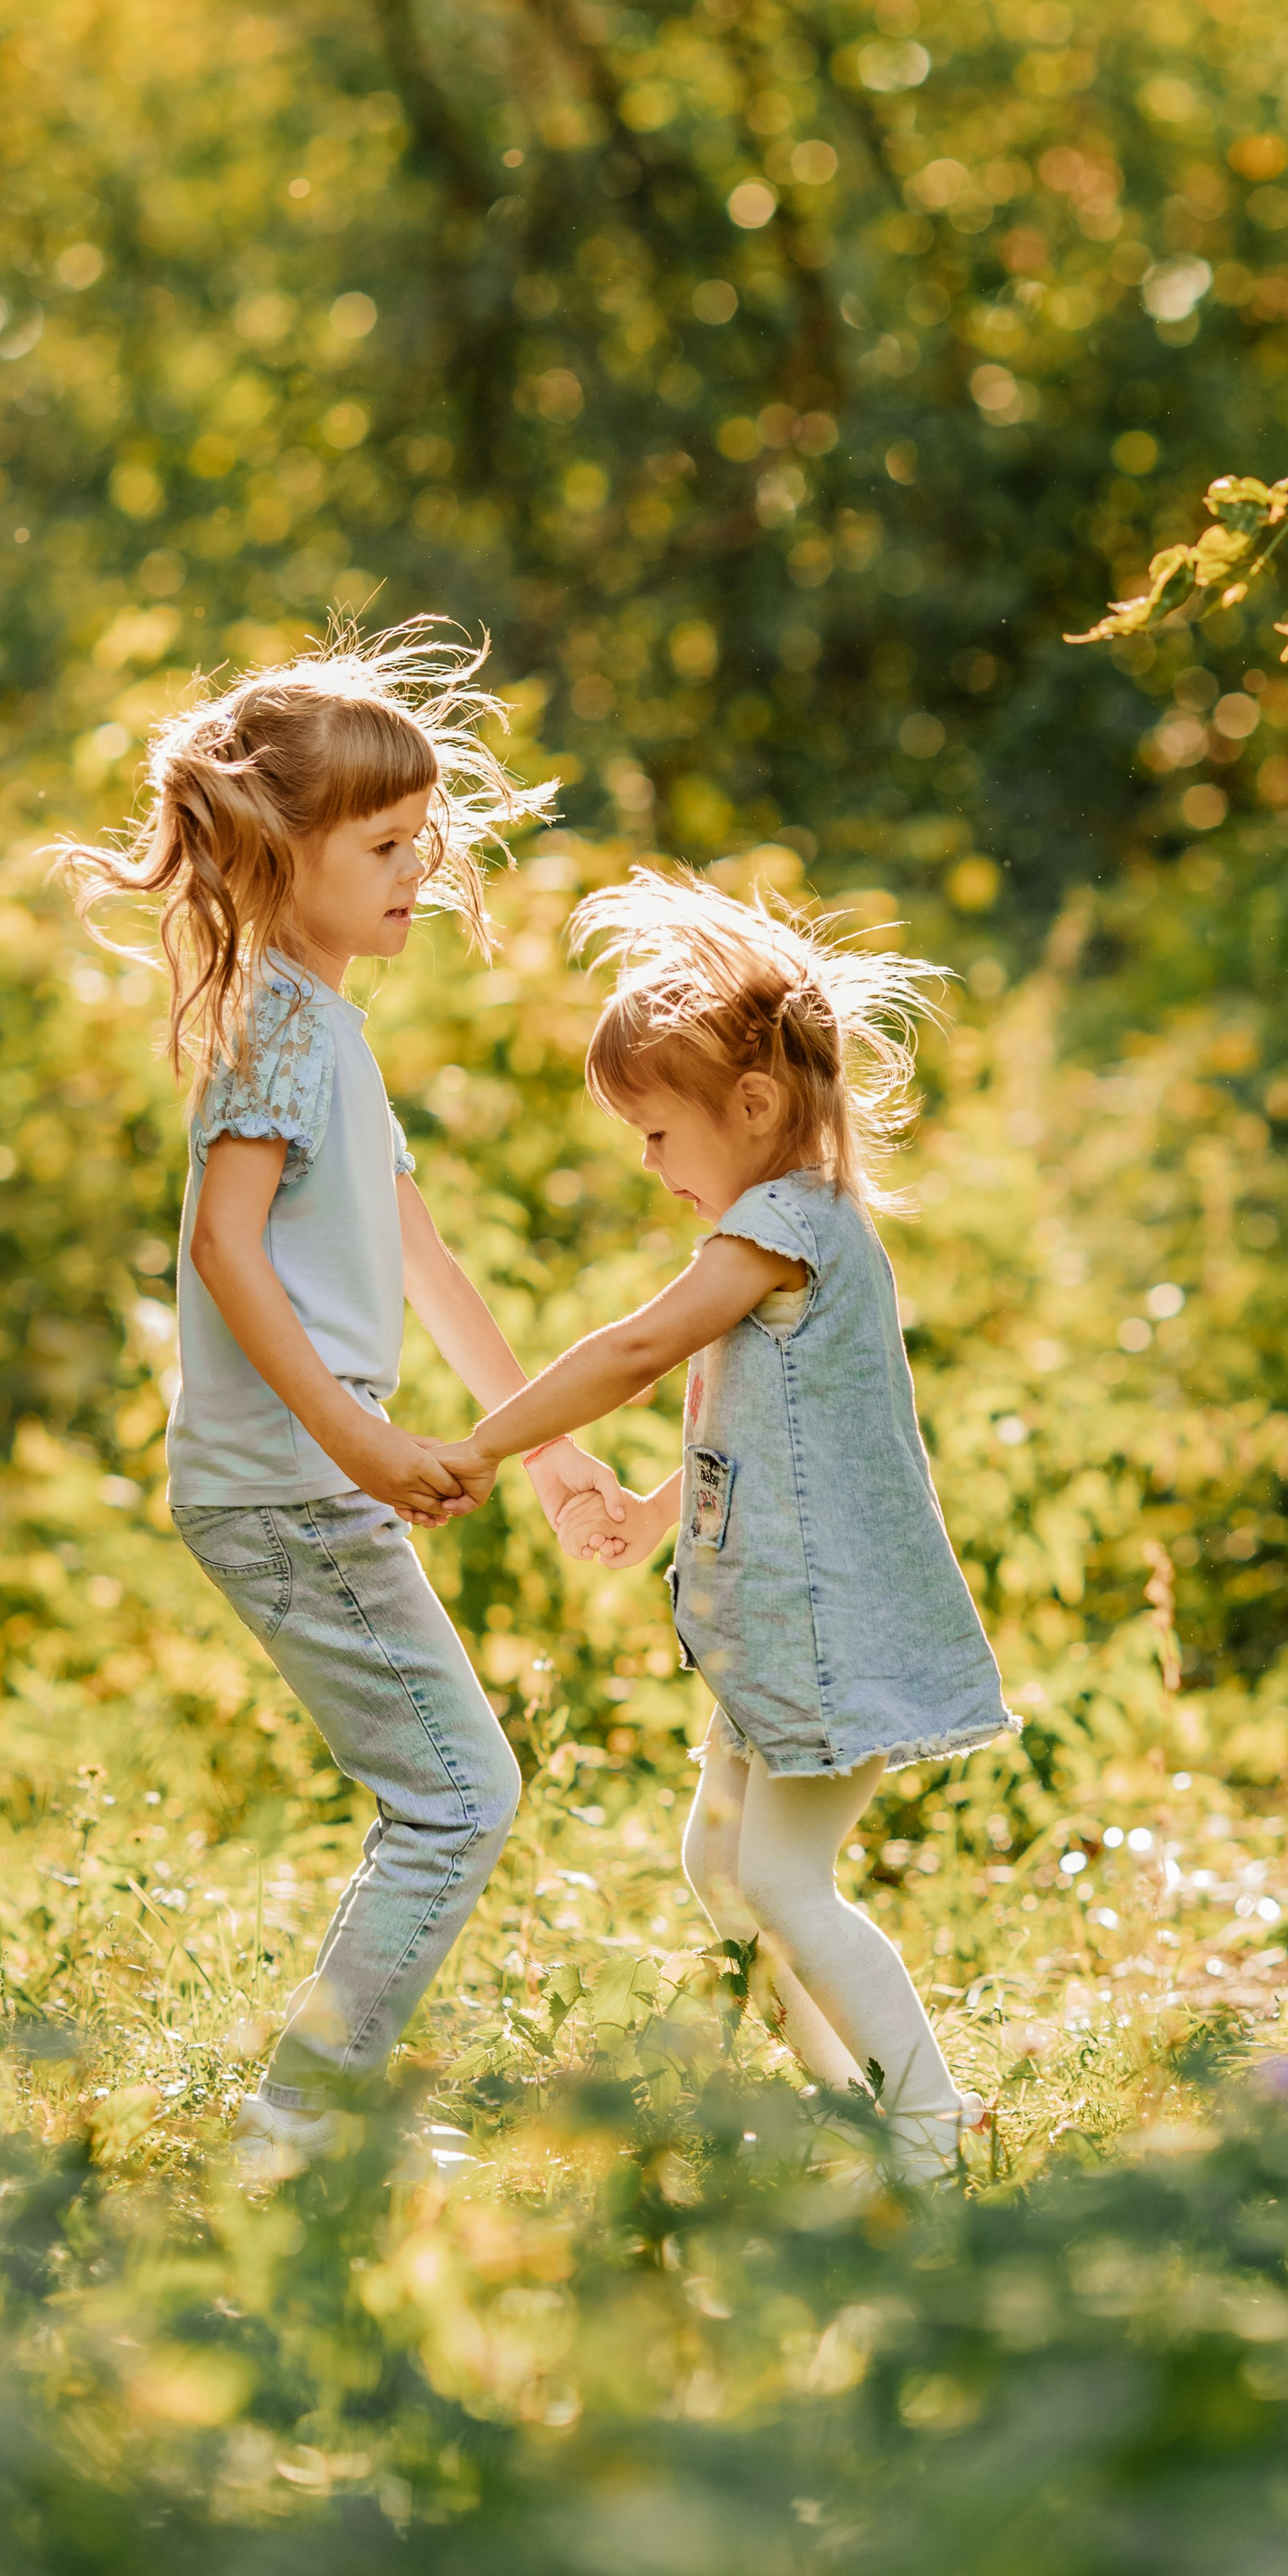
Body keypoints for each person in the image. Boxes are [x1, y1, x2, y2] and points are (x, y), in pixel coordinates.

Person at [60, 620, 625, 2169]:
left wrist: (554, 1452)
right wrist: (361, 1439)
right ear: (277, 851)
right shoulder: (274, 1026)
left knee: (453, 1793)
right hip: (285, 1484)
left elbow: (423, 1257)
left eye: (421, 839)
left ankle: (316, 2117)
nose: (417, 871)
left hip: (304, 1480)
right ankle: (299, 2129)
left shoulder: (328, 1026)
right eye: (382, 844)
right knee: (458, 1799)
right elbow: (221, 1246)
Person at [436, 870, 1014, 2180]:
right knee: (723, 1863)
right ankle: (857, 2092)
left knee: (788, 1884)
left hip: (821, 1634)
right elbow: (759, 1434)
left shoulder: (784, 1227)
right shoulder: (789, 1232)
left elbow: (638, 1350)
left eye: (654, 1135)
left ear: (751, 1107)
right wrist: (650, 1511)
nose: (649, 1167)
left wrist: (483, 1447)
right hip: (777, 1632)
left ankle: (928, 2125)